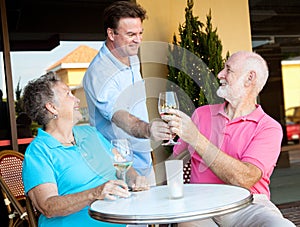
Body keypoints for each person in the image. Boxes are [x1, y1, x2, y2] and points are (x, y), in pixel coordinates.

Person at [164, 51, 295, 226]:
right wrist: (144, 179)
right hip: (202, 207)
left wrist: (196, 138)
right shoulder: (201, 114)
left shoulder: (268, 128)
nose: (220, 74)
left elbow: (245, 179)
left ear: (249, 78)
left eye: (228, 69)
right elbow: (176, 160)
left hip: (249, 205)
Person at [22, 72, 149, 227]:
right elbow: (48, 206)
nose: (77, 99)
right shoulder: (39, 152)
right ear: (52, 107)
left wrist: (135, 179)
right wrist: (94, 194)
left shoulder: (90, 133)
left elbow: (123, 165)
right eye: (68, 94)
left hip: (122, 220)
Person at [83, 1, 169, 184]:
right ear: (111, 34)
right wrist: (148, 129)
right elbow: (120, 116)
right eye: (131, 34)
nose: (138, 40)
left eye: (140, 33)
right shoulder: (100, 73)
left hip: (143, 156)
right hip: (118, 165)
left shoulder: (132, 57)